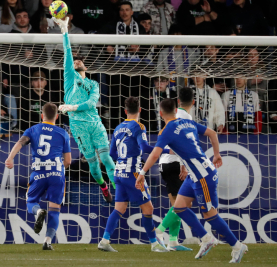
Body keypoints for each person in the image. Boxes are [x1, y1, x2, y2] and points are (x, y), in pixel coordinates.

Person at [136, 98, 248, 263]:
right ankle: (205, 238)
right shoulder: (187, 122)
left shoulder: (166, 130)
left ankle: (238, 246)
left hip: (203, 176)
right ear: (176, 110)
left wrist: (142, 172)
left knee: (210, 216)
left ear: (160, 114)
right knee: (179, 207)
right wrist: (216, 154)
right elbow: (212, 133)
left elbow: (154, 154)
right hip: (194, 174)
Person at [54, 17, 116, 203]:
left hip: (95, 124)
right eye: (75, 61)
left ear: (85, 67)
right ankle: (104, 187)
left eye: (80, 61)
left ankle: (118, 189)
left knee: (106, 158)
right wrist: (65, 31)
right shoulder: (69, 80)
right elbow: (67, 52)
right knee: (94, 165)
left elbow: (91, 103)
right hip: (79, 128)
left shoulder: (94, 84)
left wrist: (72, 107)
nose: (77, 61)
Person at [97, 96, 169, 253]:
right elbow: (145, 148)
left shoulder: (118, 128)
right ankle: (154, 244)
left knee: (119, 209)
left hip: (118, 173)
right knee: (148, 208)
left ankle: (104, 240)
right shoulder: (139, 126)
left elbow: (111, 153)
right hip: (133, 174)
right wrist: (169, 151)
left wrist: (124, 160)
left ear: (125, 111)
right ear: (140, 110)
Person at [5, 103, 71, 251]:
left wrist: (10, 158)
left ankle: (39, 211)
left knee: (31, 201)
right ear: (57, 116)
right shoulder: (63, 133)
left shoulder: (33, 129)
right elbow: (68, 161)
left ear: (42, 115)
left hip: (39, 172)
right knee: (55, 208)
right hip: (56, 173)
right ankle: (47, 241)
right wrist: (57, 170)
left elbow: (20, 143)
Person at [155, 87, 194, 251]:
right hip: (176, 163)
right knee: (183, 205)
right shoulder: (187, 117)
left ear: (178, 101)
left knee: (176, 205)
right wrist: (185, 165)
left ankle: (173, 242)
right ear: (193, 102)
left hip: (164, 163)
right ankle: (159, 231)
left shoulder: (173, 115)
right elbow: (186, 144)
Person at [156, 25, 199, 89]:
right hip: (168, 88)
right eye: (173, 34)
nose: (176, 36)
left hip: (188, 87)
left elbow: (196, 71)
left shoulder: (191, 52)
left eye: (178, 34)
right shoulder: (163, 53)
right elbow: (159, 72)